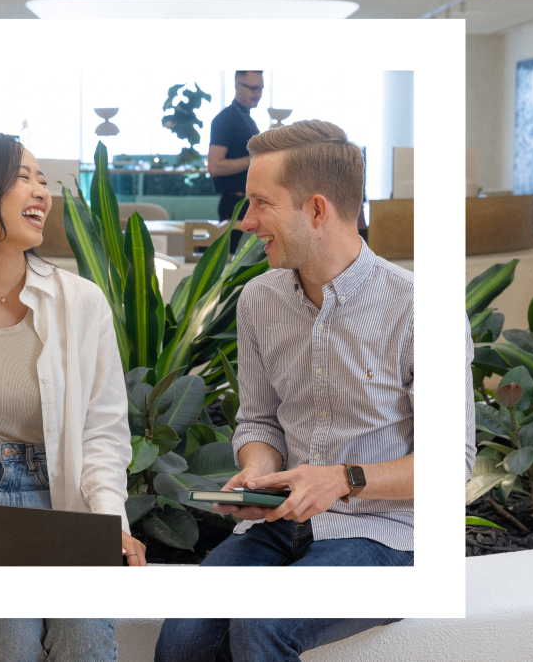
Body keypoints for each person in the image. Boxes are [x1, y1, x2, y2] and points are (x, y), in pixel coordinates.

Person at [155, 120, 477, 662]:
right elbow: (259, 422)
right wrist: (257, 472)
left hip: (390, 534)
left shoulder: (423, 311)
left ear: (317, 210)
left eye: (260, 203)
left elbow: (452, 465)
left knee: (262, 626)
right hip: (284, 522)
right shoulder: (259, 300)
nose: (247, 221)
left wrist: (343, 481)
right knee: (182, 640)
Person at [0, 133, 147, 662]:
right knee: (13, 630)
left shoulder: (81, 304)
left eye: (42, 180)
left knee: (84, 636)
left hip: (58, 500)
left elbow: (103, 432)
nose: (41, 192)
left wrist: (109, 519)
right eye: (23, 178)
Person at [207, 70, 263, 252]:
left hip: (248, 203)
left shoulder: (246, 118)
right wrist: (255, 158)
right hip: (234, 206)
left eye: (261, 89)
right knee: (233, 266)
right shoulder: (224, 120)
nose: (258, 94)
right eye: (253, 88)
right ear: (237, 86)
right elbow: (215, 166)